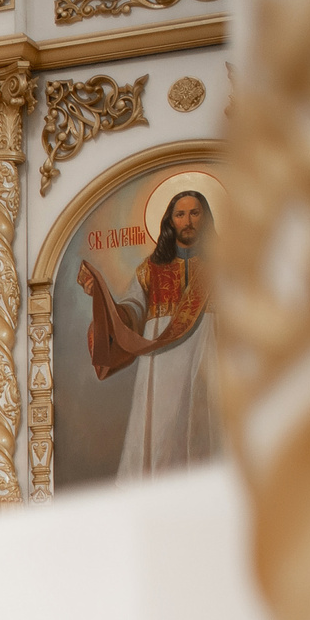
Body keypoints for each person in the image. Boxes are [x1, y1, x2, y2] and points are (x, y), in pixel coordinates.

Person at [79, 187, 220, 477]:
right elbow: (131, 312)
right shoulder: (150, 270)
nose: (188, 221)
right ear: (170, 221)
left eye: (195, 213)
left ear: (206, 218)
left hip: (211, 358)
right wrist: (103, 301)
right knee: (162, 436)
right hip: (161, 367)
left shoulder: (223, 268)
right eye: (180, 214)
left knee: (209, 431)